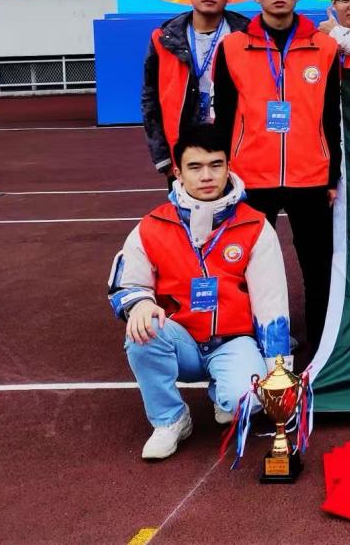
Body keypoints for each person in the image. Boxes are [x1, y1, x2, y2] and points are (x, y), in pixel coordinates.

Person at [108, 124, 291, 460]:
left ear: (228, 166)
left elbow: (272, 305)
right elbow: (125, 283)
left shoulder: (255, 226)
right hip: (181, 341)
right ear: (178, 172)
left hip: (234, 342)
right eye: (195, 167)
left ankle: (224, 392)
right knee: (142, 330)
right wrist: (140, 304)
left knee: (247, 400)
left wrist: (279, 371)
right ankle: (170, 419)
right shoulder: (152, 226)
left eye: (215, 165)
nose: (206, 176)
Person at [211, 0, 340, 360]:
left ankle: (321, 352)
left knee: (318, 268)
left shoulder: (325, 47)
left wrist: (332, 175)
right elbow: (224, 116)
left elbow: (331, 117)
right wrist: (223, 173)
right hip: (250, 177)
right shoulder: (233, 47)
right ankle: (248, 347)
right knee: (245, 267)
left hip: (310, 176)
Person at [141, 0, 248, 185]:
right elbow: (150, 99)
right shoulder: (164, 38)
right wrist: (163, 158)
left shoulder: (248, 36)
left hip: (234, 146)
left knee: (237, 208)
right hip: (184, 150)